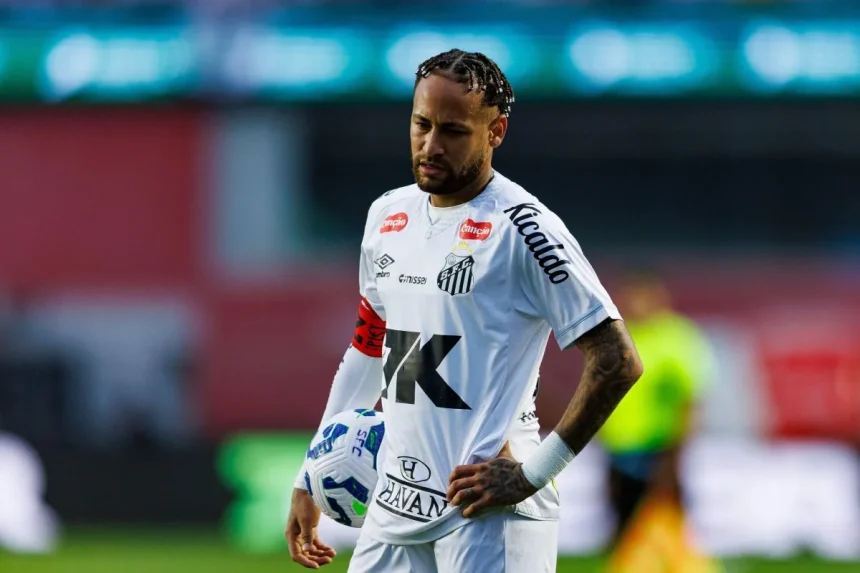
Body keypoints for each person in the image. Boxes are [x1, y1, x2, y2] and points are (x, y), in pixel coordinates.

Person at [286, 49, 643, 572]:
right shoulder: (387, 215)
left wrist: (533, 474)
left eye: (453, 131)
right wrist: (310, 474)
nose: (431, 145)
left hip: (487, 513)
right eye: (421, 125)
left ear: (495, 131)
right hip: (395, 507)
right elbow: (368, 347)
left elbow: (617, 360)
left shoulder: (524, 230)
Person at [598, 270, 714, 572]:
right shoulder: (619, 336)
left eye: (642, 295)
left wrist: (675, 454)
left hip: (658, 450)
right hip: (619, 449)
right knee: (623, 529)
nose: (635, 303)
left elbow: (690, 399)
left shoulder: (676, 338)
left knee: (664, 526)